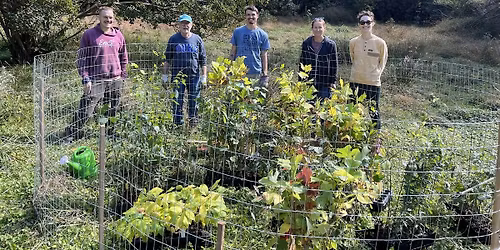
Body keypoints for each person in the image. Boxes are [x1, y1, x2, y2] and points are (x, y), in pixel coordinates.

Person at [67, 6, 128, 140]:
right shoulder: (89, 34)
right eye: (105, 17)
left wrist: (122, 76)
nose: (108, 20)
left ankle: (109, 133)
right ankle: (72, 133)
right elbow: (82, 59)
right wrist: (85, 78)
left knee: (112, 109)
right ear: (99, 18)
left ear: (114, 19)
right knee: (87, 109)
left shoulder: (118, 35)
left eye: (110, 17)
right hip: (96, 80)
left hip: (115, 80)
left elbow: (124, 57)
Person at [162, 14, 207, 127]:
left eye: (187, 23)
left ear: (191, 25)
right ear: (179, 25)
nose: (185, 25)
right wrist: (165, 76)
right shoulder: (174, 39)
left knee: (194, 100)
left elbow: (203, 60)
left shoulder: (197, 39)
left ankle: (193, 124)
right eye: (183, 23)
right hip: (178, 77)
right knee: (177, 100)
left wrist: (204, 77)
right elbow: (167, 59)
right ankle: (178, 125)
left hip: (194, 77)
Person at [349, 10, 388, 130]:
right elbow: (353, 58)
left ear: (373, 23)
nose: (365, 25)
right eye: (362, 22)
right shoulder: (353, 42)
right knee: (351, 111)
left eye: (368, 22)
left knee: (374, 111)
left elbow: (383, 62)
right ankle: (351, 134)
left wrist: (376, 75)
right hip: (355, 81)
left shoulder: (380, 43)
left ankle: (376, 140)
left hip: (373, 83)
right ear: (358, 25)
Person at [229, 5, 270, 87]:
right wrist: (229, 69)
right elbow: (233, 51)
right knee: (238, 98)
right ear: (245, 16)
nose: (250, 17)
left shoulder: (263, 34)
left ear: (257, 16)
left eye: (253, 14)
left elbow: (264, 55)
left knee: (254, 98)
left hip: (255, 72)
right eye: (248, 15)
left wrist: (265, 74)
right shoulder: (237, 32)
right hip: (239, 72)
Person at [299, 17, 338, 100]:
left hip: (325, 83)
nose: (318, 30)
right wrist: (300, 80)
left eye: (320, 27)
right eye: (315, 27)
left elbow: (334, 64)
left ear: (324, 28)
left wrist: (333, 81)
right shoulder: (306, 43)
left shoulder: (330, 45)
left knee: (323, 108)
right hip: (309, 82)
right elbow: (302, 62)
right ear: (312, 29)